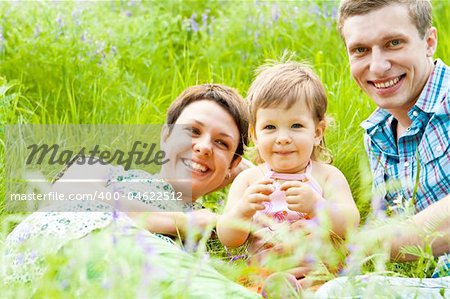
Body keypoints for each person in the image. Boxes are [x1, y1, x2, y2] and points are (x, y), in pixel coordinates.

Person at [3, 84, 260, 298]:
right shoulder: (104, 171)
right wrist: (185, 222)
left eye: (221, 143)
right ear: (166, 137)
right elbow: (72, 196)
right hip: (67, 255)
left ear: (233, 164)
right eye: (192, 131)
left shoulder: (222, 232)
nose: (204, 147)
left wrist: (249, 176)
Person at [316, 0, 450, 297]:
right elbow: (387, 233)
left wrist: (350, 247)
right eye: (361, 50)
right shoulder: (377, 133)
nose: (377, 66)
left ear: (429, 42)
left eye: (393, 43)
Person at [216, 62, 360, 292]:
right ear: (254, 134)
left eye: (295, 125)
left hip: (317, 273)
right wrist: (243, 211)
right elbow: (227, 237)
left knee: (333, 290)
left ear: (317, 132)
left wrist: (317, 206)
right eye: (270, 127)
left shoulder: (326, 176)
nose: (282, 138)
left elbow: (350, 222)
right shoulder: (248, 181)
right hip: (263, 274)